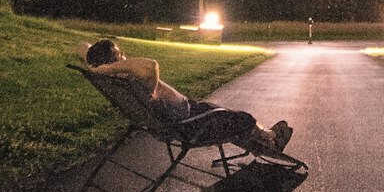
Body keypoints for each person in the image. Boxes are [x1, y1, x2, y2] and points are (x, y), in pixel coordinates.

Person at [77, 38, 294, 154]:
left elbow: (81, 46)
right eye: (121, 55)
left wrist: (96, 66)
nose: (126, 57)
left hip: (189, 112)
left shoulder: (121, 79)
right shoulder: (135, 78)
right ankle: (271, 139)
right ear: (115, 62)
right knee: (242, 118)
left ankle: (259, 139)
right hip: (189, 124)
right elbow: (151, 65)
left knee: (219, 111)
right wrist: (112, 67)